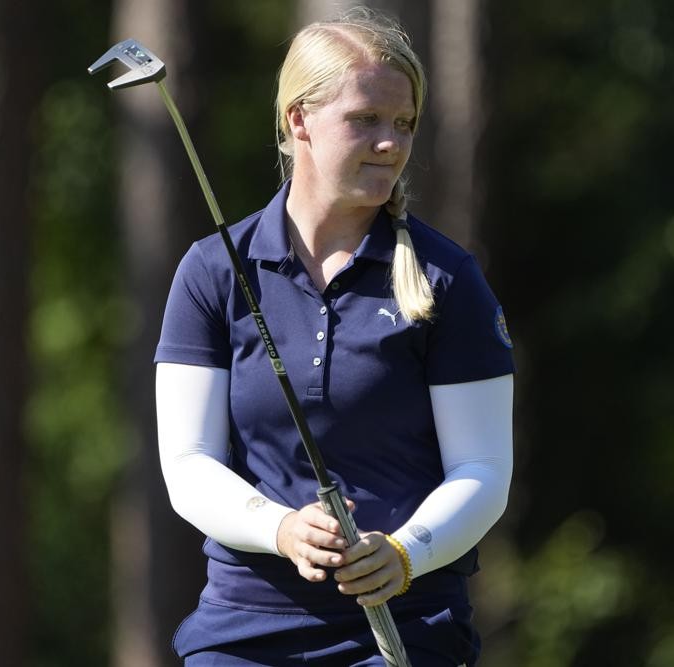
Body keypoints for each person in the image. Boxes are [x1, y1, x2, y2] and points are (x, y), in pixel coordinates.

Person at [154, 7, 515, 665]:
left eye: (403, 123)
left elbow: (484, 469)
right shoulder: (211, 271)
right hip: (244, 628)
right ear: (300, 121)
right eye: (365, 120)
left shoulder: (448, 278)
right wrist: (281, 528)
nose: (391, 142)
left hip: (405, 626)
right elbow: (187, 464)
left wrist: (406, 552)